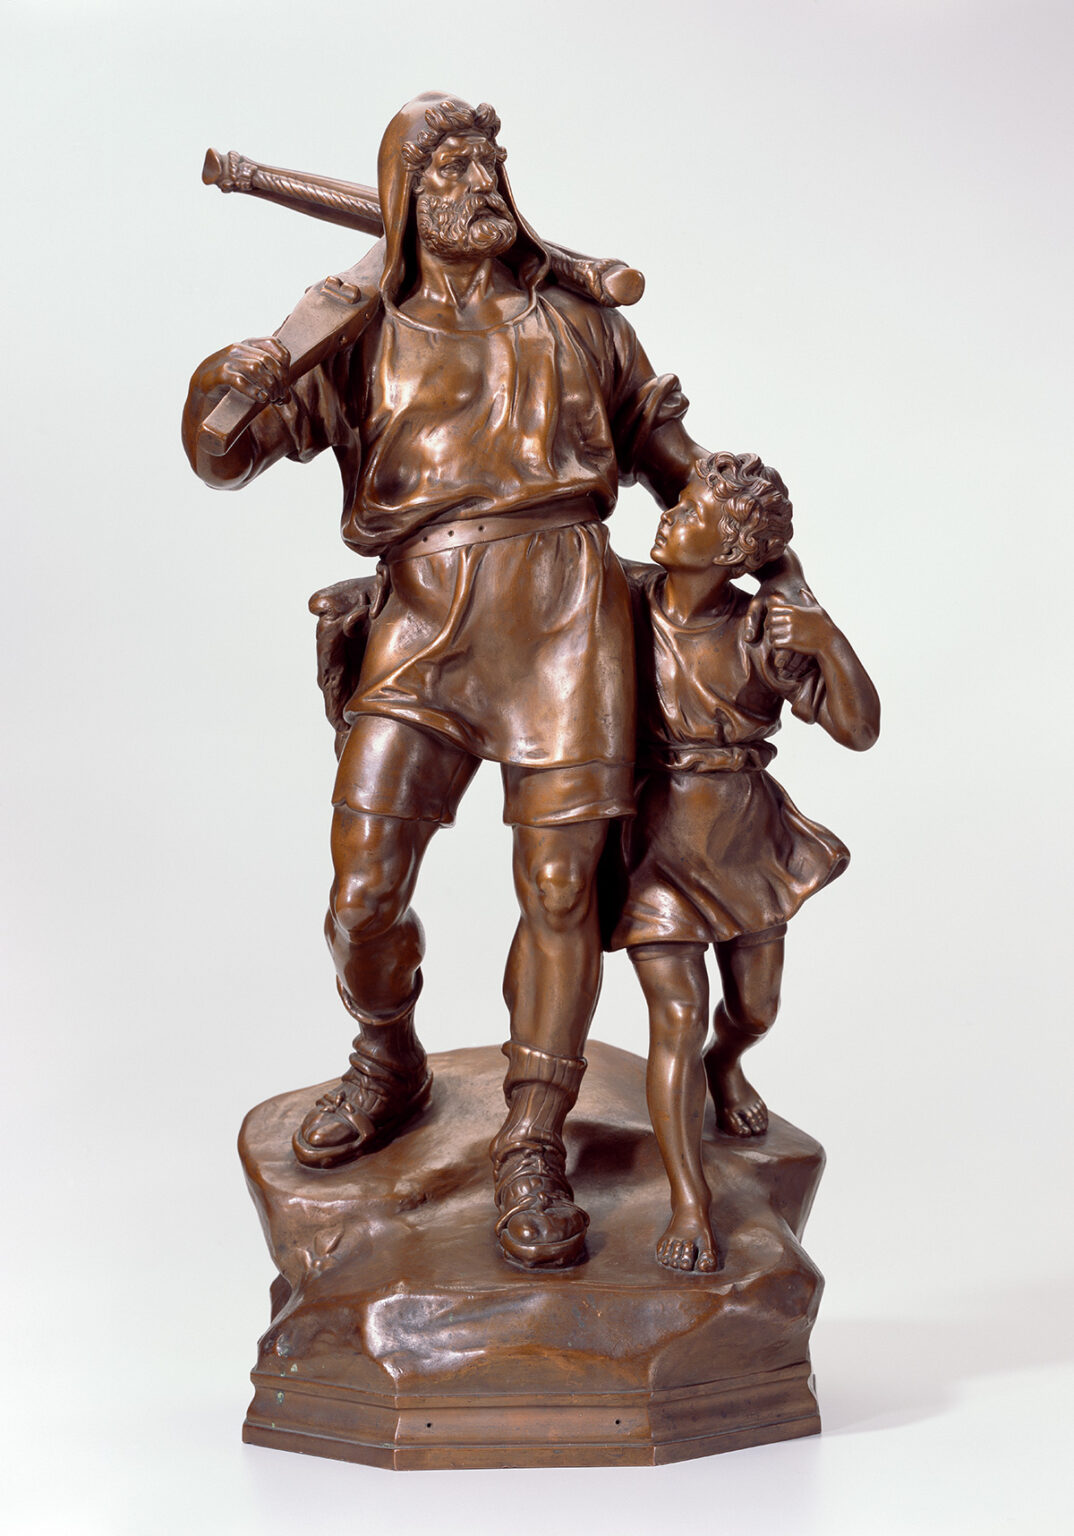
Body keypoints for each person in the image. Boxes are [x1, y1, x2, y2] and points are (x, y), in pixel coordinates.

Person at [182, 93, 807, 1269]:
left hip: (569, 620)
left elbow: (671, 456)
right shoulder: (354, 327)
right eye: (449, 168)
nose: (478, 185)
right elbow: (222, 454)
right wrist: (248, 371)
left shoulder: (576, 317)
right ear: (404, 195)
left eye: (489, 163)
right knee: (363, 891)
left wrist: (781, 567)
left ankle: (531, 1136)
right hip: (423, 620)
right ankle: (388, 1058)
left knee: (561, 892)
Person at [608, 452, 880, 1273]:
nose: (668, 513)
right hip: (655, 840)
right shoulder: (622, 597)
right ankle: (689, 1200)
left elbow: (860, 729)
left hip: (743, 835)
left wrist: (827, 639)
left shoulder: (762, 627)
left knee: (754, 1011)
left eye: (690, 511)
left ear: (730, 550)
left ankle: (727, 1066)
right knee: (677, 1016)